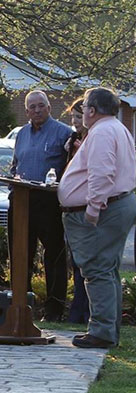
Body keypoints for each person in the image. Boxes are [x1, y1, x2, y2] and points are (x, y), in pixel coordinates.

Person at [59, 88, 136, 349]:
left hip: (103, 210)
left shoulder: (102, 132)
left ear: (92, 110)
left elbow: (102, 173)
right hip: (117, 204)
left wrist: (93, 208)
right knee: (108, 269)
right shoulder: (118, 128)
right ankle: (108, 329)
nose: (83, 112)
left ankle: (102, 332)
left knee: (97, 269)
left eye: (85, 108)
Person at [9, 90, 72, 320]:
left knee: (53, 255)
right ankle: (21, 306)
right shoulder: (21, 134)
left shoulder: (64, 133)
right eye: (32, 107)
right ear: (26, 111)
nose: (37, 110)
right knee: (20, 253)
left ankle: (54, 310)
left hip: (49, 202)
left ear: (49, 107)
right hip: (22, 200)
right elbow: (15, 165)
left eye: (41, 106)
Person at [64, 100, 89, 324]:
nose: (75, 123)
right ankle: (76, 309)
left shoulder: (92, 142)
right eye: (72, 118)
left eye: (78, 118)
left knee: (86, 263)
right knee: (75, 261)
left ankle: (84, 311)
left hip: (86, 211)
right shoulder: (73, 140)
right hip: (71, 211)